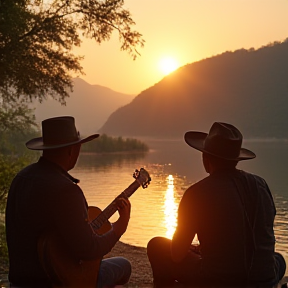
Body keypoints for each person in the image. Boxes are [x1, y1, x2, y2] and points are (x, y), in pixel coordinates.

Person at [147, 122, 286, 286]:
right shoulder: (261, 185)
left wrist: (193, 248)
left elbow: (177, 254)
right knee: (279, 260)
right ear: (236, 159)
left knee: (156, 246)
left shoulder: (196, 193)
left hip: (216, 282)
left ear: (206, 159)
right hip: (264, 282)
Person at [5, 116, 132, 287]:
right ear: (72, 150)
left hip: (18, 282)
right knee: (124, 266)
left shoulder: (20, 179)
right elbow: (89, 250)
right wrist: (119, 227)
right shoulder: (66, 190)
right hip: (56, 283)